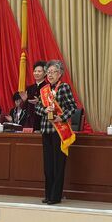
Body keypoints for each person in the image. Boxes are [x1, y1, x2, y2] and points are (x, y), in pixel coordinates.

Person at [33, 60, 76, 205]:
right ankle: (48, 194)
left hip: (59, 131)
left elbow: (72, 107)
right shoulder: (44, 89)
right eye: (48, 72)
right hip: (46, 129)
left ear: (60, 73)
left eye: (53, 72)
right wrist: (44, 110)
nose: (50, 75)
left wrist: (61, 117)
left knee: (58, 164)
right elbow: (37, 108)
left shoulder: (64, 87)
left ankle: (56, 196)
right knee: (48, 165)